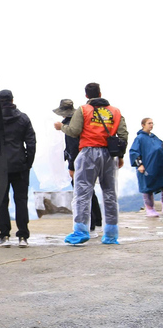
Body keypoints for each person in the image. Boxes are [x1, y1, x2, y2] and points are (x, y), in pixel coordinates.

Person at [54, 82, 128, 245]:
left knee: (82, 193)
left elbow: (74, 131)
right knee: (110, 194)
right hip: (109, 155)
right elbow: (123, 134)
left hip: (88, 153)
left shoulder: (83, 110)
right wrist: (120, 155)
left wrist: (62, 127)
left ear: (86, 95)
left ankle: (81, 231)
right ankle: (110, 234)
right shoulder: (115, 111)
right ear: (100, 93)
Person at [53, 99, 103, 233]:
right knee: (90, 190)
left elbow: (73, 147)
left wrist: (71, 167)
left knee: (82, 193)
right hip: (90, 158)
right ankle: (97, 219)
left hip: (79, 162)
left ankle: (90, 223)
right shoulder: (80, 121)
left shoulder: (69, 126)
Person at [0, 89, 36, 248]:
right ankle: (23, 236)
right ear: (12, 100)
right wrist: (28, 163)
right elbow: (31, 143)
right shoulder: (23, 118)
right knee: (21, 200)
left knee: (1, 201)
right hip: (20, 165)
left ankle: (4, 235)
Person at [129, 118, 163, 217]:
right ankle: (150, 209)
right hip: (146, 167)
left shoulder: (154, 137)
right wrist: (139, 164)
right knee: (147, 188)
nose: (151, 125)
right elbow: (134, 152)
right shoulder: (139, 138)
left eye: (152, 123)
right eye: (149, 123)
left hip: (158, 166)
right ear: (143, 125)